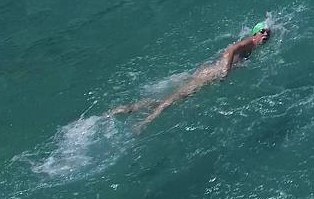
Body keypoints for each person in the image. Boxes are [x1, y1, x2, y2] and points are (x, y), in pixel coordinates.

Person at [107, 23, 272, 131]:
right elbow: (229, 51)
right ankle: (144, 123)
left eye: (268, 33)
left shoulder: (252, 48)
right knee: (173, 99)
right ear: (254, 34)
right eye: (262, 32)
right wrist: (225, 72)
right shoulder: (248, 44)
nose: (265, 35)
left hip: (207, 75)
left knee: (167, 99)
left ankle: (129, 109)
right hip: (208, 76)